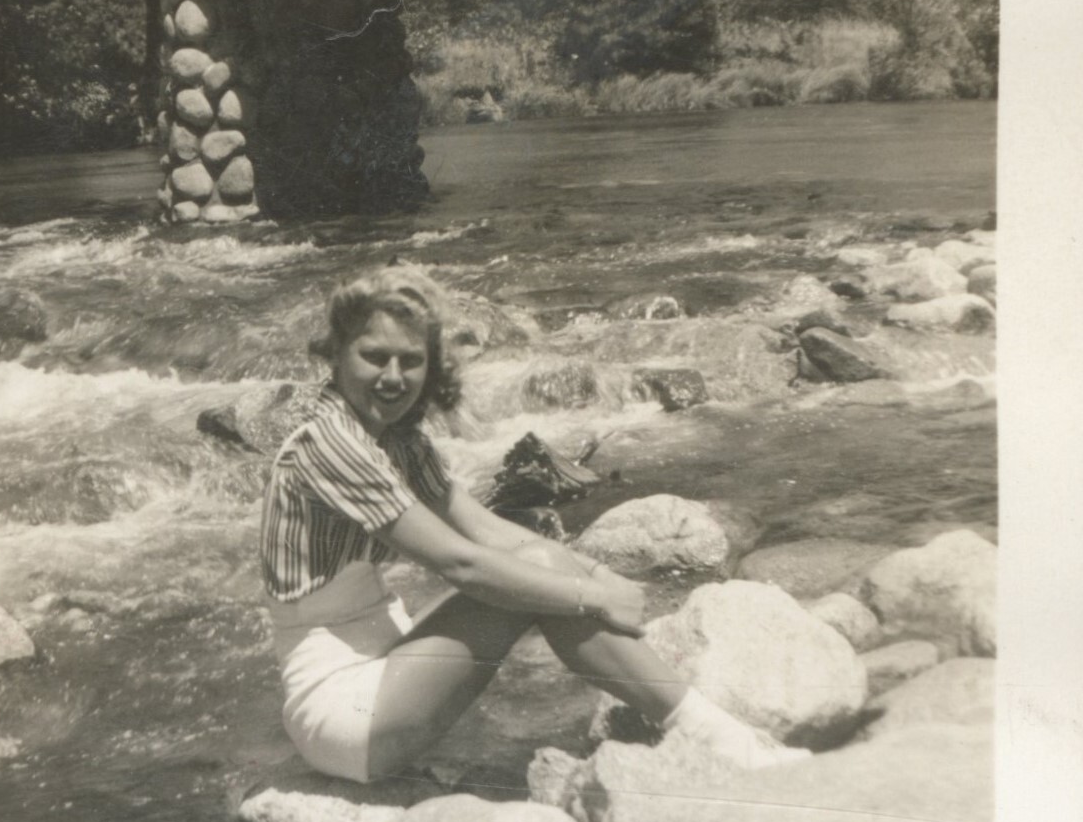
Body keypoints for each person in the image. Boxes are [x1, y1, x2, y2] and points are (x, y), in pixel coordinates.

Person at [259, 265, 807, 785]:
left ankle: (700, 723)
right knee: (552, 584)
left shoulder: (396, 438)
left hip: (385, 663)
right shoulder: (327, 443)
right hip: (341, 709)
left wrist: (595, 573)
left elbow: (490, 531)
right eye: (374, 357)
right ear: (336, 355)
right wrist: (589, 597)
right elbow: (462, 564)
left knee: (549, 571)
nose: (394, 378)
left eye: (411, 360)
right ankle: (718, 737)